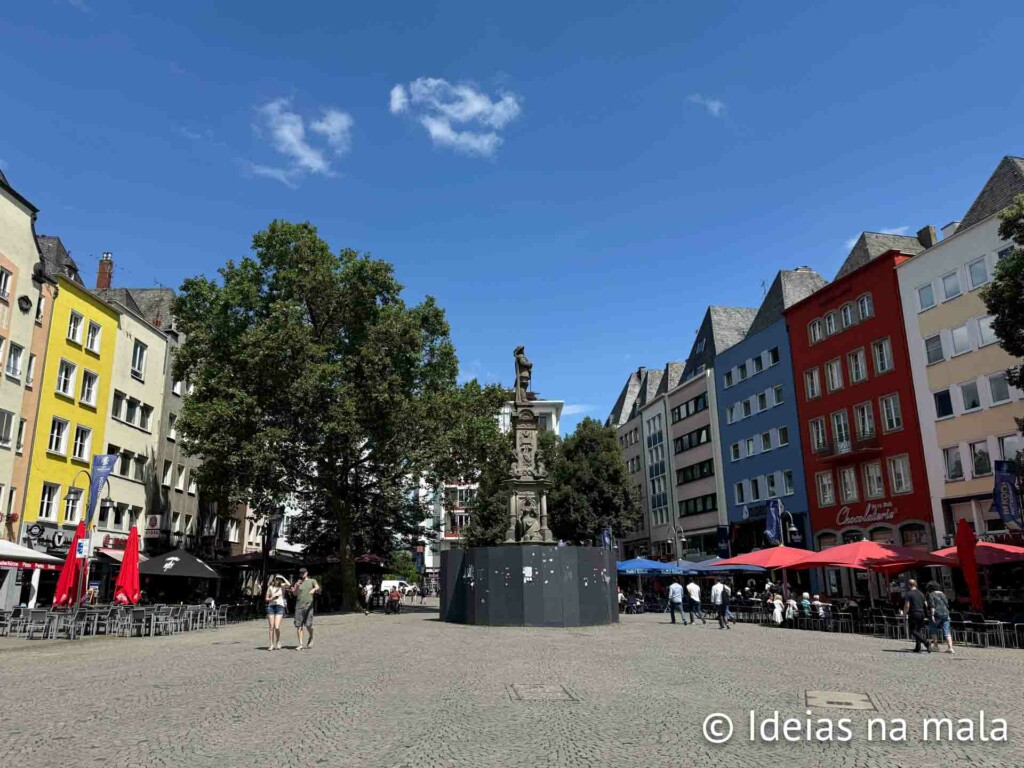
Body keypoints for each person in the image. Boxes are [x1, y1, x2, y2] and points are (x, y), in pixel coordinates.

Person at [290, 567, 320, 650]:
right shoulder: (298, 583)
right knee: (298, 625)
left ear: (307, 573)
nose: (302, 574)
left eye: (303, 573)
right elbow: (295, 594)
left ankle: (311, 636)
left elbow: (317, 587)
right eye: (300, 573)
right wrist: (296, 586)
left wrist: (314, 589)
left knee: (308, 625)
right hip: (299, 606)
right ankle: (301, 644)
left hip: (308, 605)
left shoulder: (312, 581)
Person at [926, 580, 954, 654]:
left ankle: (936, 646)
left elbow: (932, 606)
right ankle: (950, 647)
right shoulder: (943, 594)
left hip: (936, 614)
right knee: (947, 630)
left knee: (933, 629)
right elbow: (947, 604)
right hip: (945, 614)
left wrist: (932, 615)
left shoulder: (931, 594)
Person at [903, 578, 929, 653]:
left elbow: (907, 605)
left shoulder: (909, 593)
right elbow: (926, 604)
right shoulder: (921, 593)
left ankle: (926, 642)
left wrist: (904, 614)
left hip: (913, 613)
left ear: (909, 585)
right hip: (921, 613)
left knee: (912, 630)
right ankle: (918, 647)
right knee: (918, 630)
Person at [264, 575, 290, 651]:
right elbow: (266, 598)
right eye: (276, 579)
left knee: (277, 626)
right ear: (273, 580)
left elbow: (289, 584)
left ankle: (278, 641)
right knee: (271, 627)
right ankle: (271, 644)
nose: (277, 581)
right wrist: (271, 598)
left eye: (279, 580)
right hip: (271, 606)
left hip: (280, 606)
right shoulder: (270, 587)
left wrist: (283, 577)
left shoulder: (282, 586)